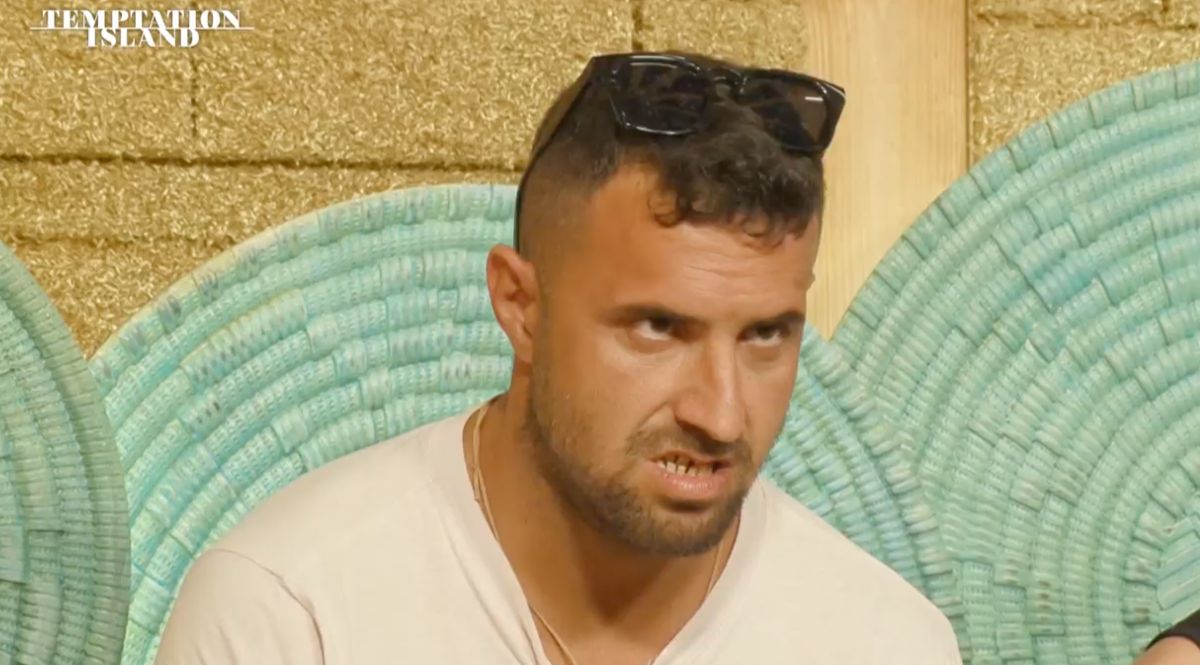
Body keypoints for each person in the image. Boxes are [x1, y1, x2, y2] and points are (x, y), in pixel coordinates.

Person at [154, 50, 962, 664]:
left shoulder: (886, 642)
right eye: (658, 326)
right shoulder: (290, 612)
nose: (720, 414)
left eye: (765, 335)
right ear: (520, 306)